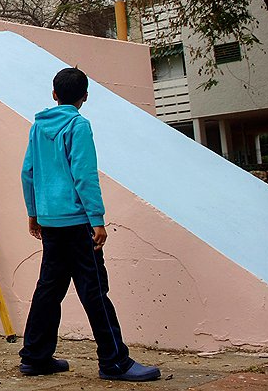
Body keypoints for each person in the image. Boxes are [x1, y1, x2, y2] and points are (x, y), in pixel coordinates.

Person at [18, 67, 161, 382]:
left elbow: (28, 171)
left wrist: (34, 211)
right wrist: (96, 219)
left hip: (51, 221)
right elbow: (84, 175)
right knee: (94, 290)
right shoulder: (79, 125)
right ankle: (114, 362)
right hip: (77, 221)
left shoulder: (38, 127)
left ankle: (35, 356)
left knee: (49, 288)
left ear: (54, 95)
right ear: (85, 97)